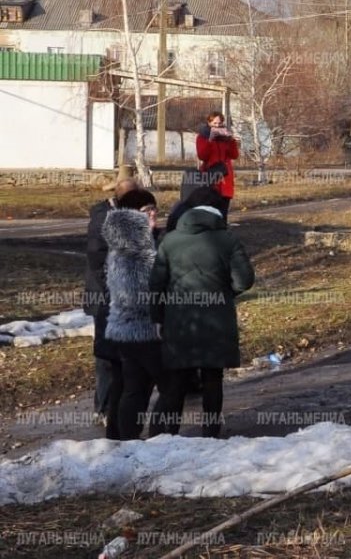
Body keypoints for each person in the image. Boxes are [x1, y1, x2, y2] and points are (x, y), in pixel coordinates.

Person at [151, 199, 255, 438]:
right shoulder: (227, 240)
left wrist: (157, 318)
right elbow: (245, 280)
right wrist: (226, 293)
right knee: (212, 378)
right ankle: (210, 433)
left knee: (177, 377)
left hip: (179, 321)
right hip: (216, 321)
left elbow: (156, 284)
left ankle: (170, 433)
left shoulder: (169, 241)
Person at [103, 189, 169, 440]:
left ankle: (126, 441)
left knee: (135, 389)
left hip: (127, 330)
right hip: (143, 329)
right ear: (132, 216)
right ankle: (160, 439)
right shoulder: (135, 247)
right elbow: (138, 293)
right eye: (145, 211)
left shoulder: (137, 240)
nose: (153, 214)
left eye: (154, 208)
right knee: (170, 386)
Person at [85, 175, 139, 432]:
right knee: (106, 357)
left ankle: (113, 406)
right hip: (105, 297)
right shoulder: (102, 220)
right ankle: (104, 407)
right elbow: (98, 262)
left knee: (119, 355)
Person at [195, 111, 238, 218]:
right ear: (209, 123)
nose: (217, 126)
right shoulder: (202, 137)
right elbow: (202, 156)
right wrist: (210, 140)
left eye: (219, 123)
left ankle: (222, 231)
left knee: (223, 210)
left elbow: (234, 155)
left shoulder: (225, 137)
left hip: (225, 176)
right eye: (214, 123)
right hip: (210, 176)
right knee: (210, 210)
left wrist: (231, 140)